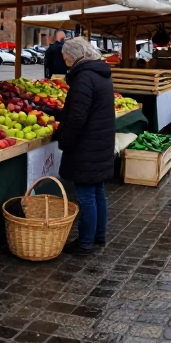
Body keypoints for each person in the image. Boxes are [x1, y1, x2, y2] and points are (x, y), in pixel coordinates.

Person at [51, 37, 114, 255]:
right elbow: (82, 110)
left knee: (86, 195)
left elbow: (77, 118)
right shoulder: (100, 74)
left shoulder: (84, 78)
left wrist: (64, 141)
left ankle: (85, 242)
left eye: (65, 57)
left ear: (72, 56)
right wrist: (55, 113)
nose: (65, 61)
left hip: (87, 146)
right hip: (100, 142)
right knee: (97, 192)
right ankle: (98, 235)